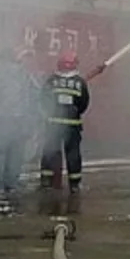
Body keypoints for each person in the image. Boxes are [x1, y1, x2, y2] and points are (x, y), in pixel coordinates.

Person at [40, 49, 91, 191]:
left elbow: (43, 99)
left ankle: (46, 181)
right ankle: (74, 184)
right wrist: (74, 114)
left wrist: (49, 113)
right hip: (72, 126)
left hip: (53, 125)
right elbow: (84, 103)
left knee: (50, 152)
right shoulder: (79, 82)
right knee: (73, 154)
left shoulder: (51, 81)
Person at [0, 43, 37, 195]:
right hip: (21, 118)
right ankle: (12, 184)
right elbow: (33, 95)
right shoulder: (24, 74)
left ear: (2, 59)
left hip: (3, 118)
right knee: (16, 153)